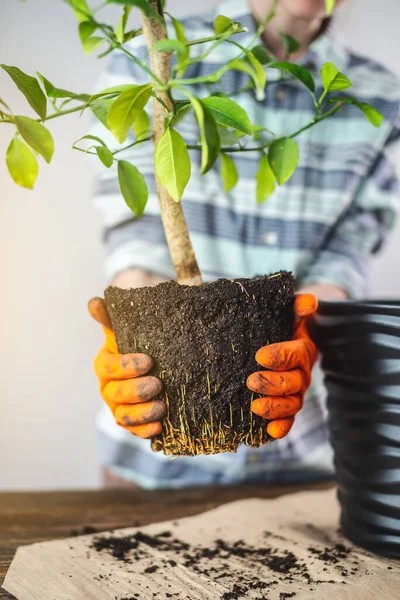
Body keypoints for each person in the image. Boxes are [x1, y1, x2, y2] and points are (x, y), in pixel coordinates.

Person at [88, 0, 400, 489]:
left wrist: (311, 335)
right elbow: (137, 227)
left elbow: (348, 253)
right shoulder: (152, 60)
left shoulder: (382, 97)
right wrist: (134, 325)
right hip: (152, 463)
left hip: (306, 451)